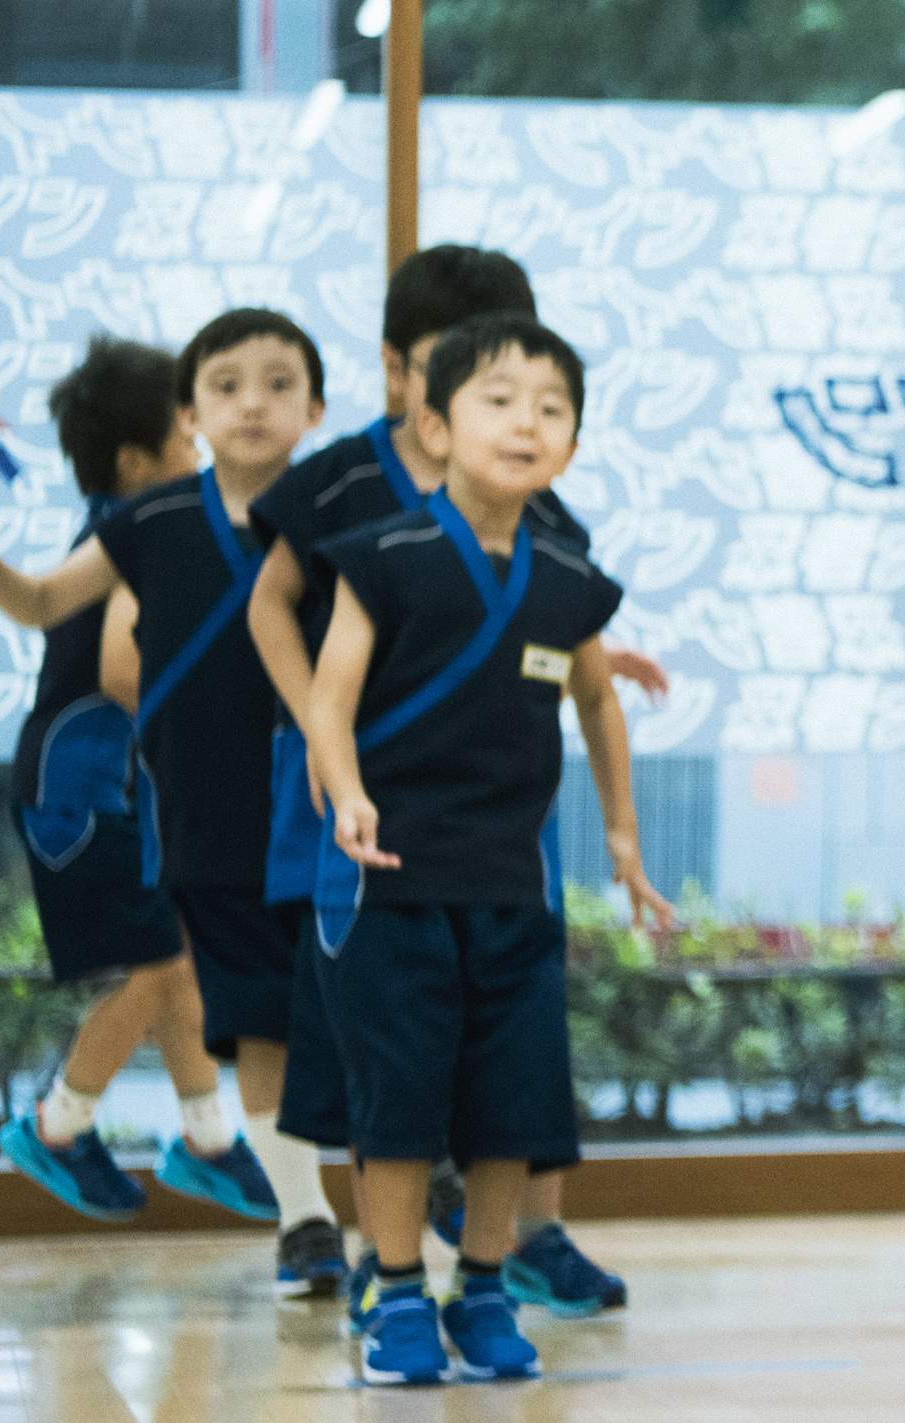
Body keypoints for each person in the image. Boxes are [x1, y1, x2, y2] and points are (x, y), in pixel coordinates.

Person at [248, 242, 660, 1314]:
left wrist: (620, 810)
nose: (519, 414)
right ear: (409, 382)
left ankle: (519, 1250)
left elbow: (554, 643)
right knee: (380, 1045)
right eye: (480, 379)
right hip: (373, 810)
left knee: (515, 1051)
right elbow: (273, 608)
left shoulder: (552, 530)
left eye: (543, 395)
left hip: (503, 830)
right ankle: (381, 1267)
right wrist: (325, 740)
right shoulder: (348, 489)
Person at [0, 307, 324, 1279]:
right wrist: (216, 735)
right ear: (157, 446)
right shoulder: (149, 535)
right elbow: (114, 663)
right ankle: (58, 1123)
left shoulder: (251, 522)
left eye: (276, 386)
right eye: (214, 399)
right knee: (159, 964)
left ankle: (207, 1137)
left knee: (180, 963)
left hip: (114, 790)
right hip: (86, 793)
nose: (239, 414)